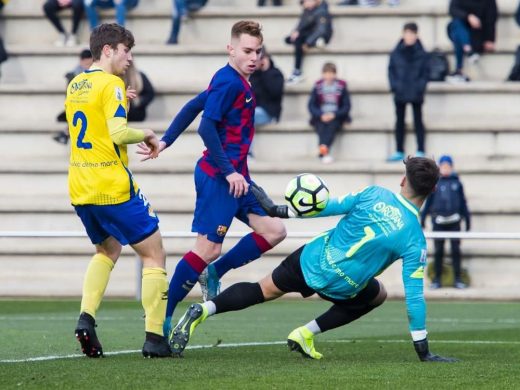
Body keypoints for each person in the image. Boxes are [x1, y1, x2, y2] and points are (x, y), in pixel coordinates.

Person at [169, 157, 458, 363]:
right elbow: (415, 297)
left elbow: (325, 206)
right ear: (433, 190)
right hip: (343, 286)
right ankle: (306, 333)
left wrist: (279, 211)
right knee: (377, 294)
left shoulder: (374, 194)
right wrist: (423, 349)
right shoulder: (415, 239)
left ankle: (204, 309)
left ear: (403, 179)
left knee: (262, 290)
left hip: (310, 260)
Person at [138, 21, 287, 339]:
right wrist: (230, 171)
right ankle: (160, 322)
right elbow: (206, 127)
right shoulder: (228, 82)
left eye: (258, 51)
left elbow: (194, 105)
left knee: (274, 231)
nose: (254, 57)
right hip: (219, 178)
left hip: (237, 178)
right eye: (247, 50)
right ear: (230, 49)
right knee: (206, 249)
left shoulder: (238, 82)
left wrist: (165, 141)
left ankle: (215, 273)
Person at [66, 23, 171, 358]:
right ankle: (155, 338)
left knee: (106, 251)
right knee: (154, 254)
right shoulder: (111, 84)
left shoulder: (77, 82)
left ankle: (86, 319)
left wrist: (120, 103)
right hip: (112, 185)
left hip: (81, 187)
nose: (130, 58)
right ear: (108, 50)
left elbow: (92, 126)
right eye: (126, 50)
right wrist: (149, 133)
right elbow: (117, 134)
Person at [421, 155, 471, 290]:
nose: (446, 169)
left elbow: (463, 203)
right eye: (443, 166)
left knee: (456, 250)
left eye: (448, 166)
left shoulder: (457, 183)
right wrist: (423, 219)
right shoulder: (435, 183)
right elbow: (428, 203)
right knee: (438, 251)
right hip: (438, 222)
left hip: (454, 222)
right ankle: (437, 279)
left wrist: (467, 220)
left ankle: (457, 279)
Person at [387, 22, 430, 162]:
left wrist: (420, 87)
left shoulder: (422, 53)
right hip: (400, 91)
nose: (409, 36)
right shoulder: (396, 52)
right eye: (407, 33)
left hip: (415, 91)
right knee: (399, 121)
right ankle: (399, 149)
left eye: (412, 33)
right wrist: (395, 86)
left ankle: (421, 149)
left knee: (418, 120)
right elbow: (391, 71)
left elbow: (426, 72)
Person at [308, 62, 351, 164]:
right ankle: (324, 152)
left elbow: (346, 106)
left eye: (331, 73)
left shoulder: (341, 86)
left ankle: (323, 151)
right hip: (321, 115)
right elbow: (311, 105)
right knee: (321, 126)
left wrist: (334, 114)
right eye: (326, 73)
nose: (329, 76)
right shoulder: (318, 86)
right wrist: (321, 115)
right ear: (322, 74)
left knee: (332, 126)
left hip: (336, 115)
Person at [446, 0, 498, 83]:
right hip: (460, 28)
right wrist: (468, 17)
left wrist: (490, 39)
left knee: (457, 35)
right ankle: (469, 50)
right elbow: (452, 9)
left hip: (477, 34)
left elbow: (491, 18)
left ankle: (459, 69)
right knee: (457, 24)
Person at [285, 0, 332, 84]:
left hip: (317, 35)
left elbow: (321, 30)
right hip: (308, 34)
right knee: (289, 39)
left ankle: (297, 71)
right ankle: (316, 42)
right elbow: (301, 25)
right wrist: (295, 32)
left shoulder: (322, 11)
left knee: (298, 40)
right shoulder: (308, 10)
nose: (305, 4)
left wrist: (308, 42)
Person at [54, 49, 94, 144]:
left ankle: (66, 133)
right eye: (86, 64)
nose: (87, 67)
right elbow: (68, 96)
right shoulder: (72, 76)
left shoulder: (97, 75)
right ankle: (67, 133)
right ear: (81, 62)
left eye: (89, 64)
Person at [250, 49, 284, 127]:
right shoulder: (252, 75)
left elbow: (275, 93)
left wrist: (265, 71)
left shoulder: (275, 74)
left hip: (269, 112)